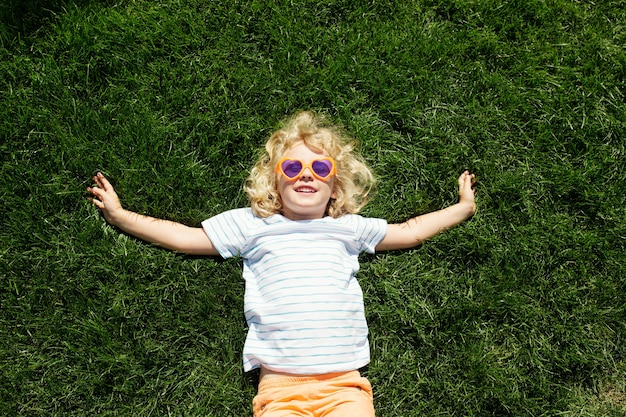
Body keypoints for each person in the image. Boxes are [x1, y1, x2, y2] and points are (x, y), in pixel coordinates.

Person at [87, 110, 476, 417]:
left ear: (334, 185)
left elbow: (408, 230)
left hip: (345, 385)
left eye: (320, 169)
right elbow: (187, 238)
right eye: (292, 168)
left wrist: (461, 209)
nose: (306, 174)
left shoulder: (347, 228)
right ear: (274, 182)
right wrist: (123, 217)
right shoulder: (254, 224)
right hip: (279, 388)